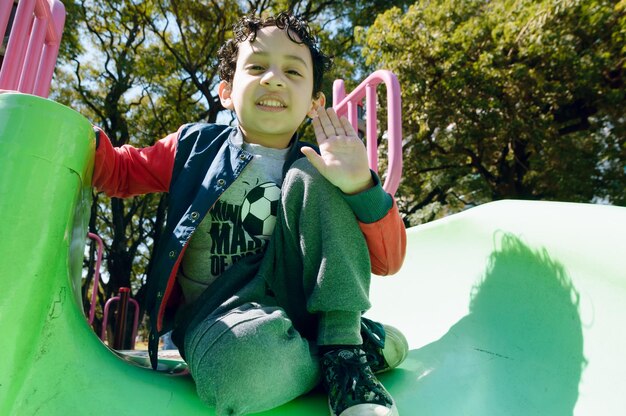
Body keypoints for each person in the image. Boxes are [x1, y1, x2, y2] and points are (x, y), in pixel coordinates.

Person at [92, 12, 408, 416]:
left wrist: (360, 185)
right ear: (226, 91)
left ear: (315, 102)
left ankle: (345, 351)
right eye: (257, 67)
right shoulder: (192, 149)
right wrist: (78, 139)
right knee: (236, 377)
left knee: (315, 170)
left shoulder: (326, 165)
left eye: (292, 71)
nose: (273, 78)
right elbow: (119, 171)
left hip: (300, 306)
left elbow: (389, 260)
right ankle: (336, 354)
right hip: (219, 319)